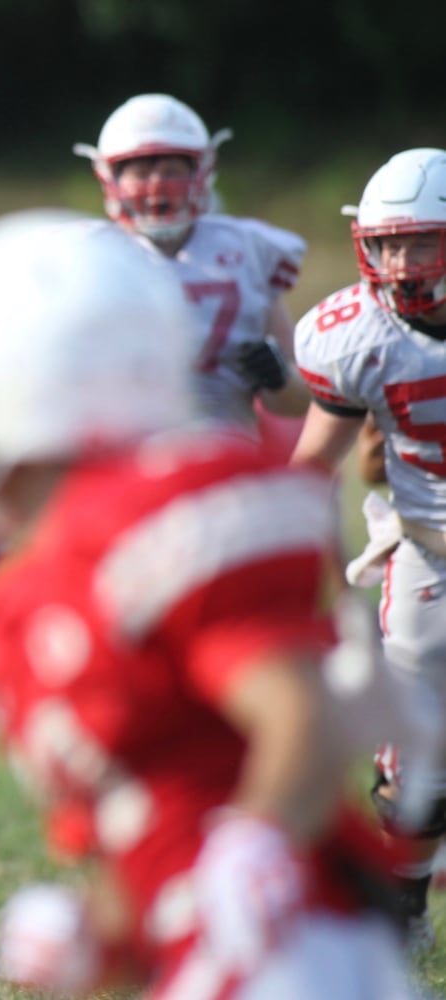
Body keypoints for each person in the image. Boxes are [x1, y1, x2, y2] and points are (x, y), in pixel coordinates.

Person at [0, 210, 420, 999]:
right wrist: (96, 936)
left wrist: (258, 843)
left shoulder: (168, 511)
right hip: (199, 953)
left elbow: (301, 718)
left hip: (295, 946)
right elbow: (144, 838)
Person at [292, 147, 446, 952]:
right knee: (419, 769)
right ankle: (408, 914)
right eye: (386, 244)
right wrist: (314, 594)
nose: (399, 262)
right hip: (431, 557)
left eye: (419, 242)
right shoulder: (358, 334)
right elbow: (309, 471)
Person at [74, 93, 311, 438]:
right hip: (124, 456)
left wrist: (278, 377)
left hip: (222, 451)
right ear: (109, 177)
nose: (157, 184)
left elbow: (297, 403)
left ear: (202, 172)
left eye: (171, 171)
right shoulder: (86, 256)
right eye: (140, 172)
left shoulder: (249, 250)